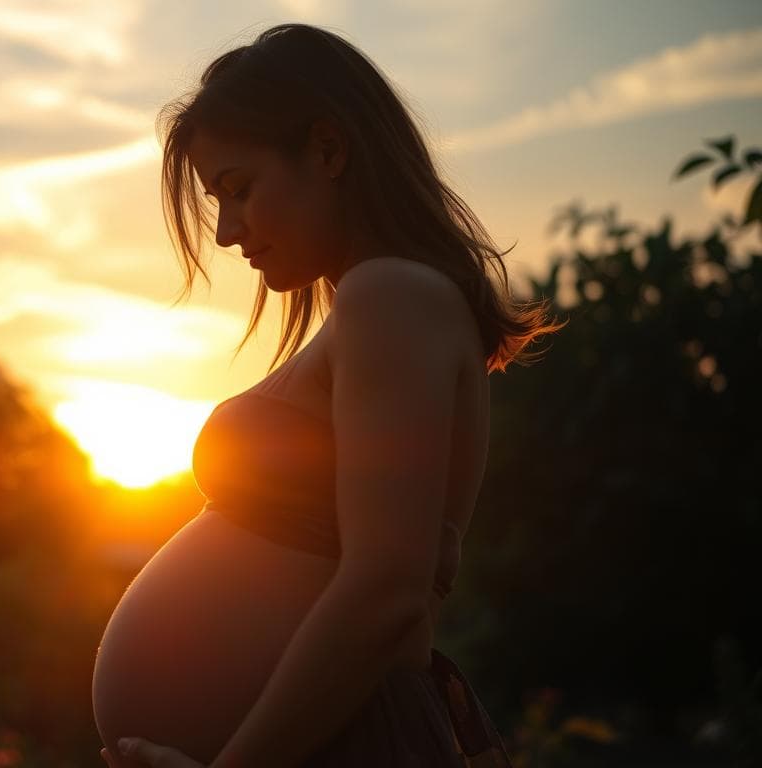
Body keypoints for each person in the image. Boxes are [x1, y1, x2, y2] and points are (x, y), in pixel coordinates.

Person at [91, 23, 564, 768]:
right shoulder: (377, 306)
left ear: (328, 150)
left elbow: (386, 593)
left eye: (238, 190)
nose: (224, 232)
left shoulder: (391, 295)